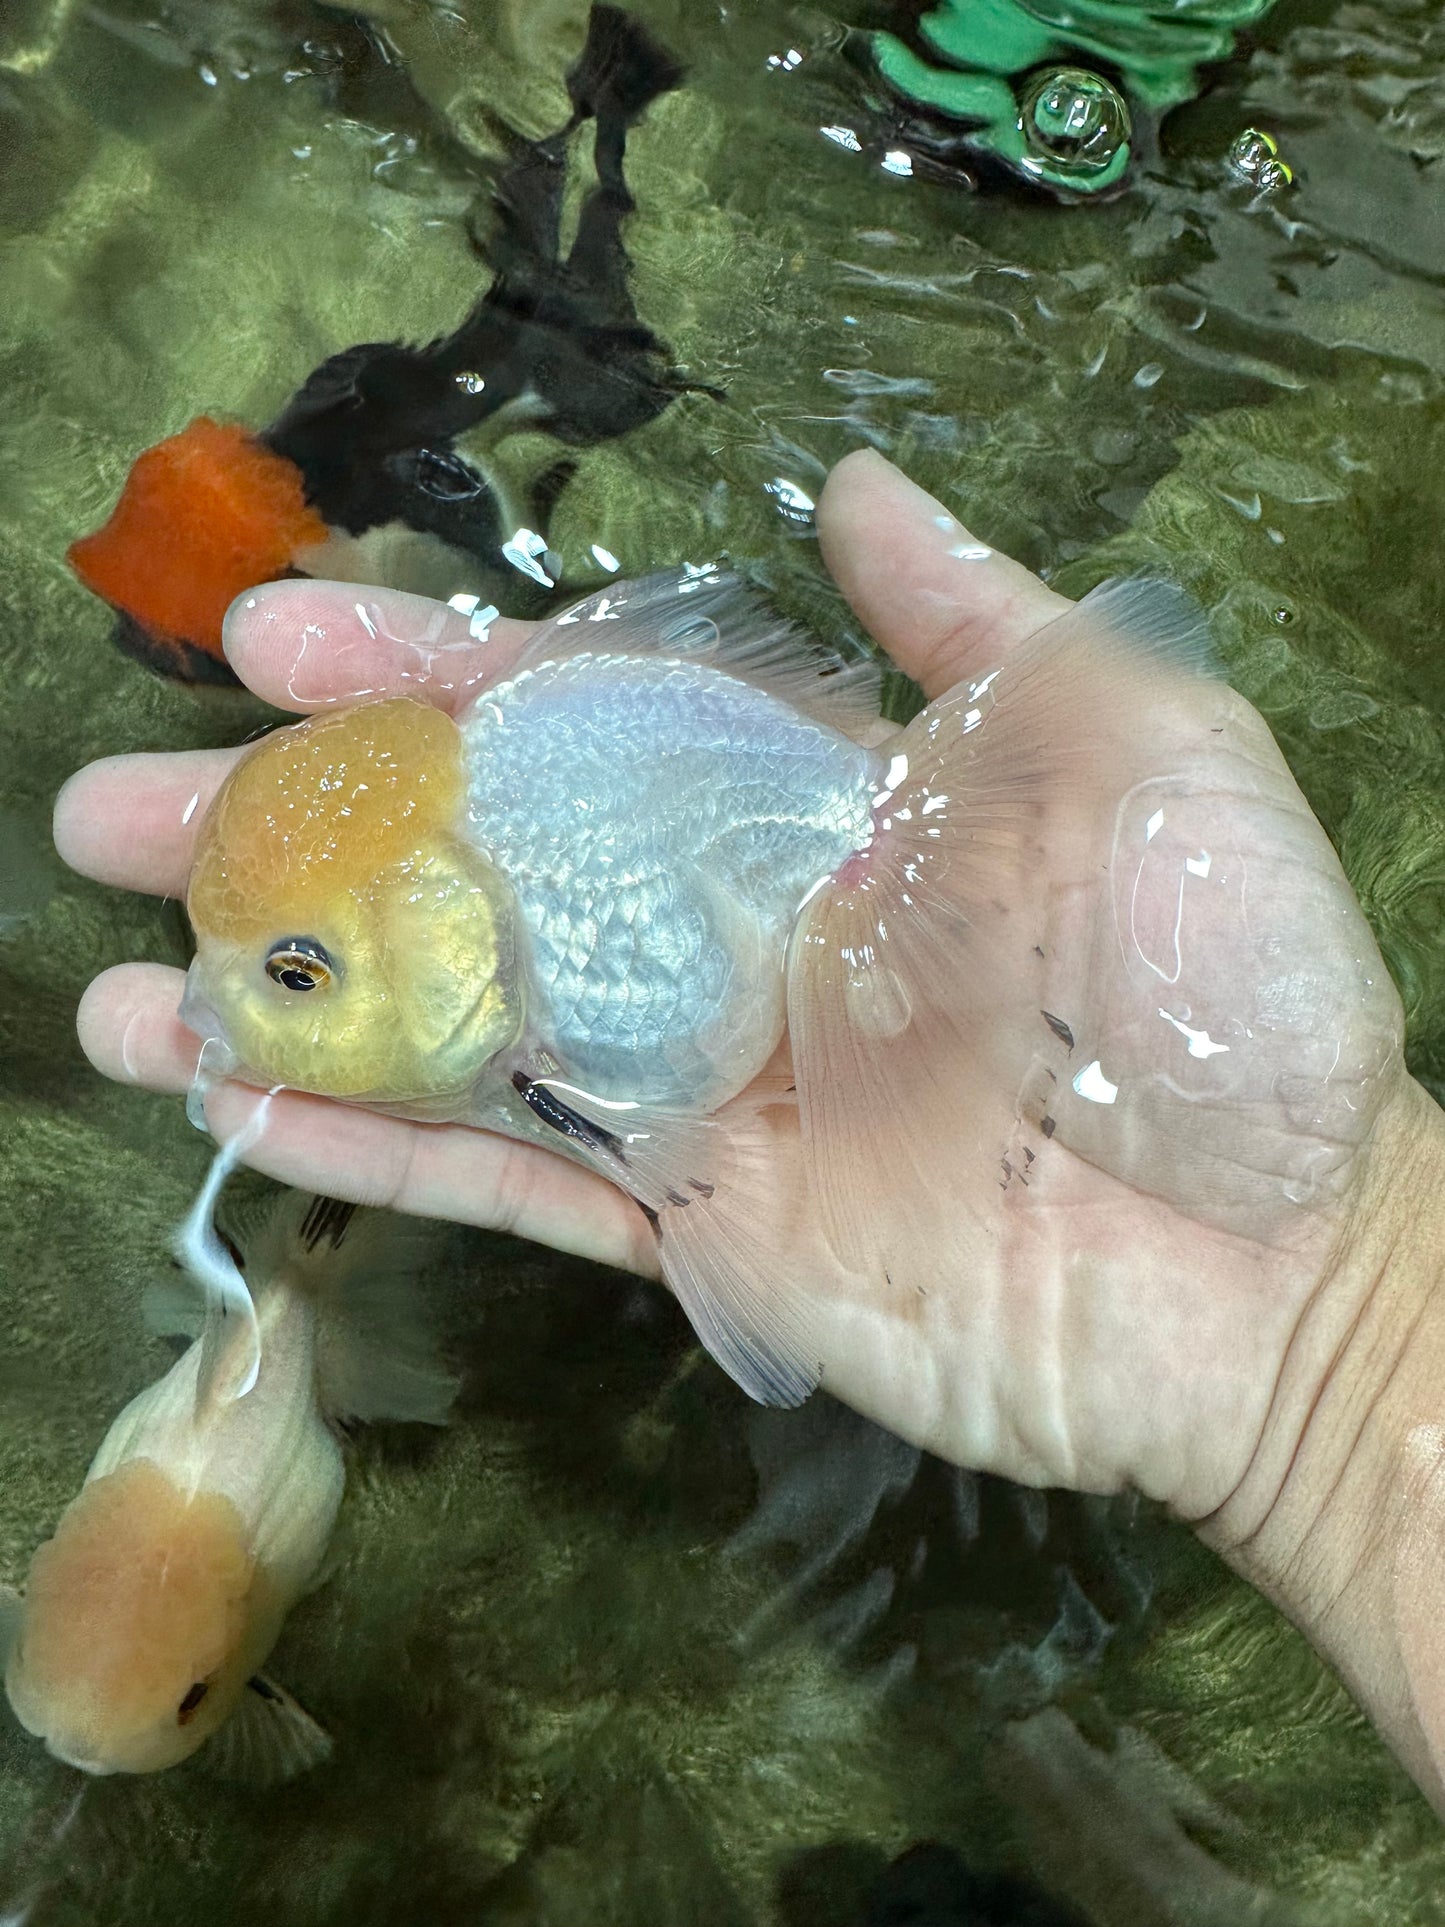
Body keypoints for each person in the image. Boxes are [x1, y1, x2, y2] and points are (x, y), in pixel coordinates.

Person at [53, 450, 1445, 1814]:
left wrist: (1346, 1306)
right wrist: (1342, 1337)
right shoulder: (486, 889)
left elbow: (681, 1151)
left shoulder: (556, 952)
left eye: (294, 975)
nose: (220, 1007)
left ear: (447, 943)